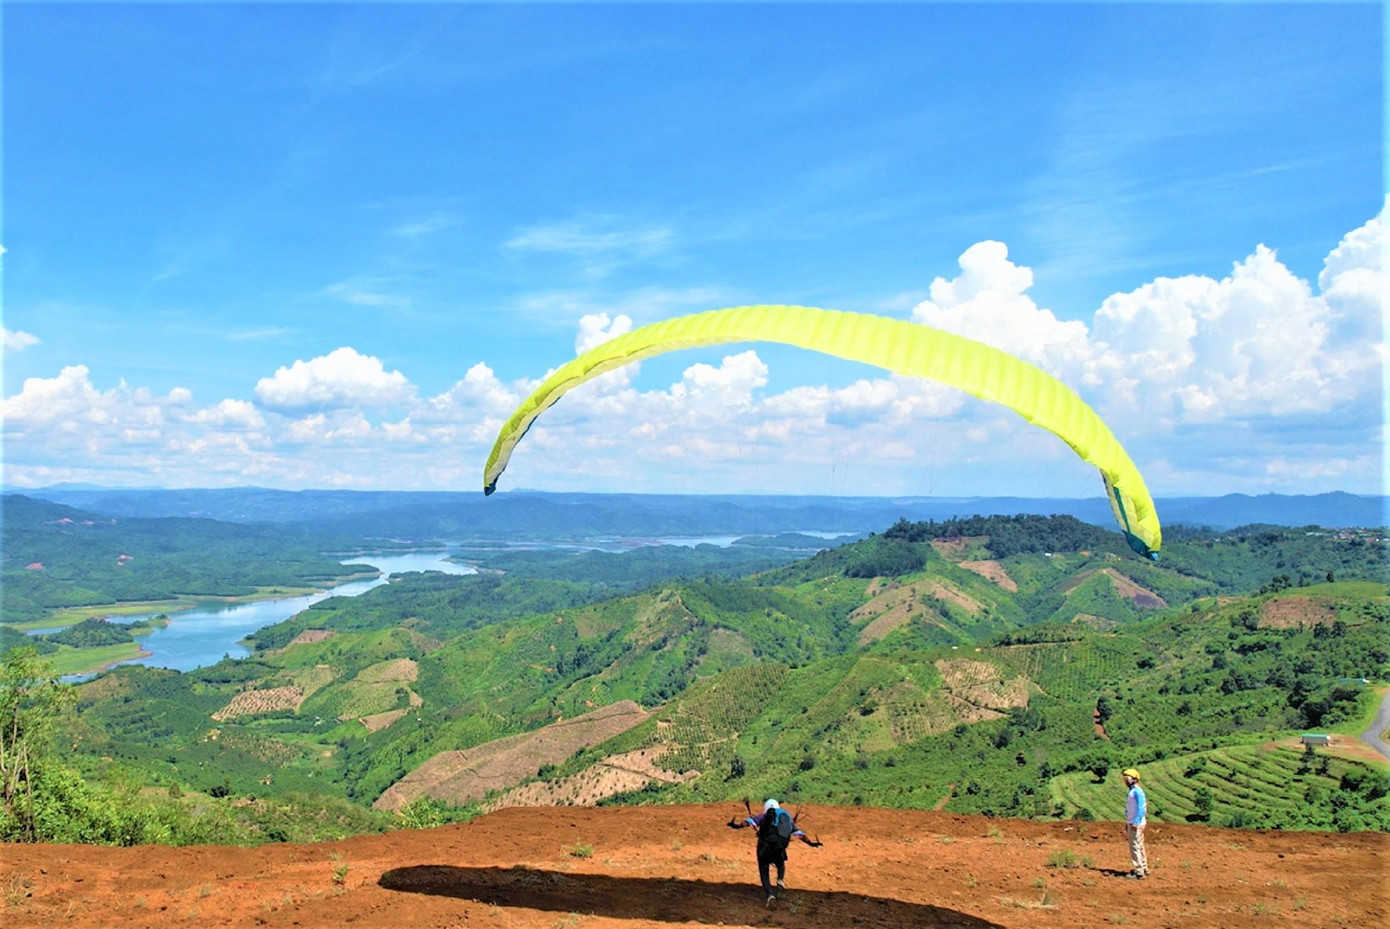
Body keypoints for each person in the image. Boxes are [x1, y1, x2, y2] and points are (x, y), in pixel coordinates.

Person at [728, 798, 822, 907]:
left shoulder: (764, 816)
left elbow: (748, 822)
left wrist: (736, 826)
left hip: (765, 849)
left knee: (763, 868)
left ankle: (769, 895)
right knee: (780, 862)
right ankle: (780, 879)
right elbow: (799, 834)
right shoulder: (787, 817)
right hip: (780, 848)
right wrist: (811, 843)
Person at [1122, 767, 1148, 879]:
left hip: (1136, 823)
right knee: (1139, 846)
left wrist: (1135, 822)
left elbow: (1142, 808)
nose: (1125, 780)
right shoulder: (1133, 791)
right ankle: (1144, 868)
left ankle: (1139, 872)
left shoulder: (1137, 792)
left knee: (1135, 847)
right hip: (1133, 821)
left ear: (1135, 779)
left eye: (1127, 778)